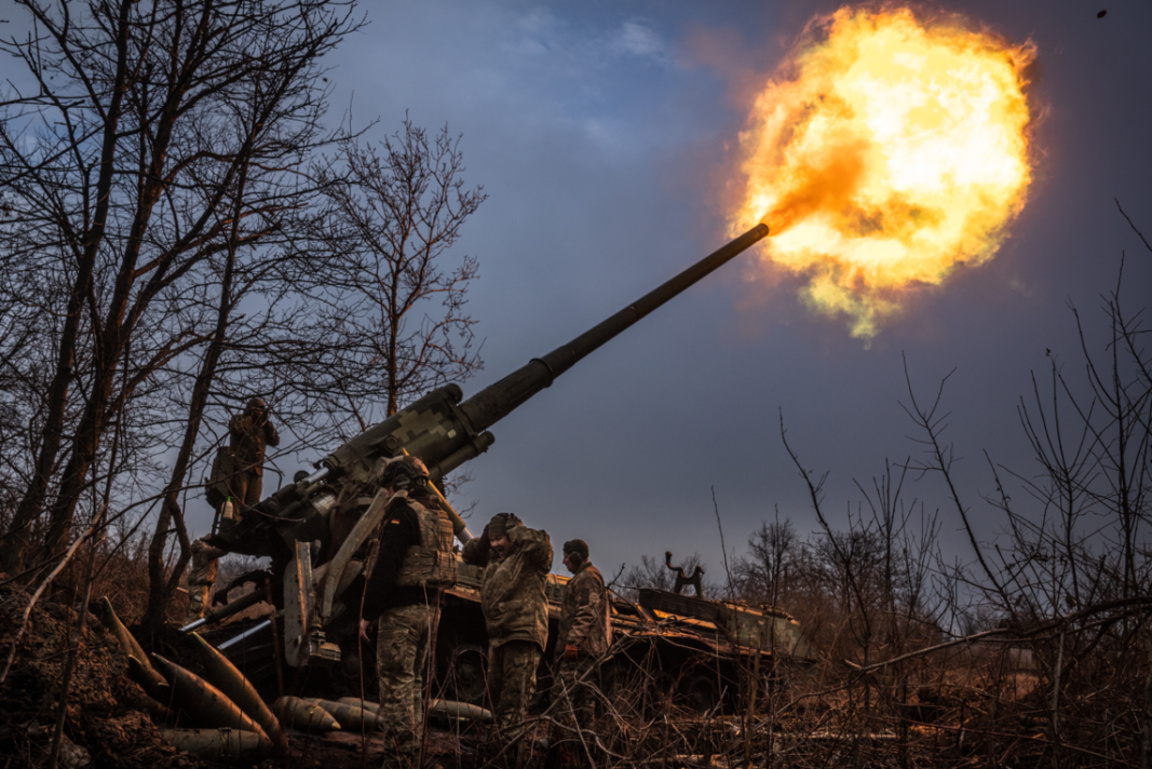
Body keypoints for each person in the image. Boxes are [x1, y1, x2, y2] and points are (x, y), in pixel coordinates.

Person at [358, 455, 458, 769]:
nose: (385, 494)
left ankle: (398, 760)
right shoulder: (441, 516)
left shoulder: (403, 514)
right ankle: (411, 757)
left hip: (401, 614)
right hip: (431, 611)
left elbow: (386, 567)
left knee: (396, 687)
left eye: (387, 487)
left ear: (398, 483)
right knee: (413, 686)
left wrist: (368, 613)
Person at [462, 512, 552, 758]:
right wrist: (485, 538)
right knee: (497, 700)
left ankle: (509, 758)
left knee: (514, 701)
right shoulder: (493, 556)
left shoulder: (531, 555)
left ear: (512, 534)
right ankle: (500, 751)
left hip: (522, 635)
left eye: (499, 538)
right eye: (492, 540)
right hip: (498, 636)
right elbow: (467, 554)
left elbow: (543, 546)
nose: (495, 545)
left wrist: (513, 530)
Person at [551, 539, 611, 764]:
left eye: (566, 556)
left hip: (581, 651)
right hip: (585, 650)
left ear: (576, 556)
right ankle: (585, 754)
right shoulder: (586, 577)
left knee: (563, 698)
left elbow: (587, 612)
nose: (564, 561)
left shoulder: (587, 578)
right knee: (584, 704)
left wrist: (572, 643)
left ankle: (565, 752)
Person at [227, 396, 280, 509]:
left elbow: (275, 441)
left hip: (257, 471)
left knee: (253, 506)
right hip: (240, 466)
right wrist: (250, 417)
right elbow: (239, 430)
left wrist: (267, 423)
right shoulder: (239, 419)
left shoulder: (262, 427)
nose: (259, 411)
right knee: (237, 502)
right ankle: (234, 524)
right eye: (257, 408)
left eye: (261, 409)